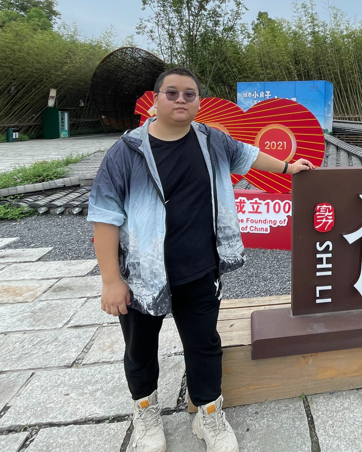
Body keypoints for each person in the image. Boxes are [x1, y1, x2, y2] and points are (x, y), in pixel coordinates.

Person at [88, 68, 315, 452]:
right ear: (155, 100)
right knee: (139, 349)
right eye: (172, 93)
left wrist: (289, 168)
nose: (181, 99)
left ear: (198, 101)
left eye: (189, 94)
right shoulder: (126, 153)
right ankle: (145, 412)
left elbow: (249, 155)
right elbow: (105, 218)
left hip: (199, 270)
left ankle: (208, 414)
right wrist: (111, 281)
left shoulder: (212, 140)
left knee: (204, 344)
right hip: (143, 276)